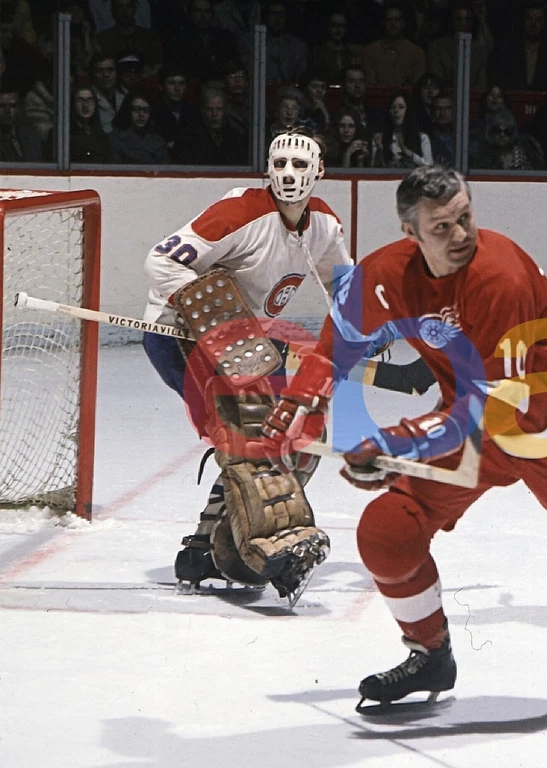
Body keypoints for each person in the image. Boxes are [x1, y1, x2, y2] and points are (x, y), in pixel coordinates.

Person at [259, 165, 547, 711]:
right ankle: (430, 653)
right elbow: (344, 334)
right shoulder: (387, 274)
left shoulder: (500, 276)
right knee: (388, 532)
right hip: (472, 421)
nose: (461, 236)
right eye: (442, 228)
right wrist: (305, 398)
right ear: (411, 234)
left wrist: (398, 443)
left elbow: (493, 407)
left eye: (465, 218)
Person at [141, 126, 350, 596]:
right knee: (250, 440)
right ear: (267, 169)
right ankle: (236, 551)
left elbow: (343, 281)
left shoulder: (323, 226)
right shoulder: (240, 213)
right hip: (183, 339)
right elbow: (160, 262)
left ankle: (210, 549)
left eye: (300, 165)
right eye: (280, 164)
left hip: (252, 346)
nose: (289, 174)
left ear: (320, 170)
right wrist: (212, 322)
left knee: (292, 436)